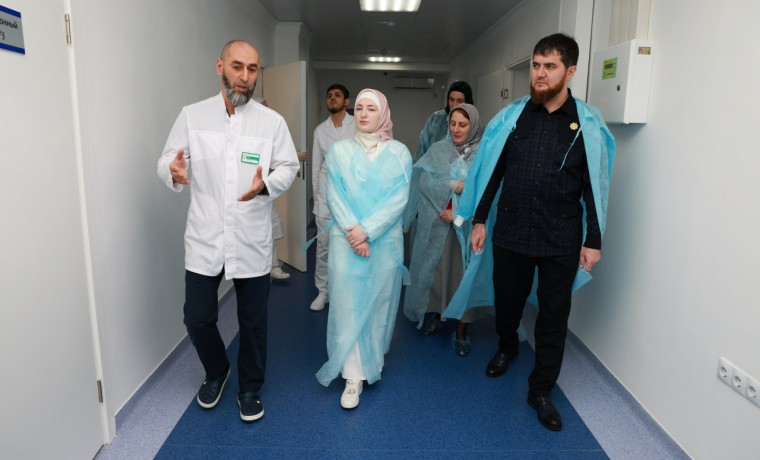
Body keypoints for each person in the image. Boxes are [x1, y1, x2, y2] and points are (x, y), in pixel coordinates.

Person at [454, 33, 615, 432]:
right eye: (536, 65)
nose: (540, 74)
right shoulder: (514, 117)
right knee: (507, 303)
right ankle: (507, 347)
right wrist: (479, 219)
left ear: (570, 71)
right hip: (512, 231)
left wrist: (593, 240)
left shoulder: (586, 124)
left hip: (560, 237)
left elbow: (594, 186)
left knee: (554, 316)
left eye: (550, 66)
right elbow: (493, 172)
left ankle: (541, 389)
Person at [157, 39, 300, 423]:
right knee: (197, 318)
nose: (245, 76)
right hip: (205, 236)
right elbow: (167, 158)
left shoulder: (271, 122)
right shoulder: (193, 116)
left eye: (252, 69)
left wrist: (266, 185)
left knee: (253, 322)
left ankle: (250, 388)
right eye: (237, 66)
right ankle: (217, 370)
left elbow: (288, 166)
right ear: (220, 66)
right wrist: (173, 171)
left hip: (250, 237)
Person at [315, 89, 412, 409]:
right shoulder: (339, 151)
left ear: (383, 113)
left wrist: (367, 231)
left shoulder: (399, 153)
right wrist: (355, 234)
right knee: (347, 305)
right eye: (359, 108)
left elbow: (398, 199)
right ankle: (352, 375)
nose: (365, 113)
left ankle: (373, 358)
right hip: (347, 242)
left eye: (371, 108)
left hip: (383, 243)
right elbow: (334, 195)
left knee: (379, 303)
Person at [403, 103, 491, 356]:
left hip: (468, 229)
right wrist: (452, 184)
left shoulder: (484, 155)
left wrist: (459, 214)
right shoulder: (439, 149)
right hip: (440, 225)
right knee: (439, 275)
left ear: (474, 126)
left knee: (464, 278)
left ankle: (462, 332)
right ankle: (439, 315)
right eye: (453, 124)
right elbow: (423, 182)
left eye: (463, 125)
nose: (456, 129)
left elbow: (488, 193)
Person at [309, 84, 355, 311]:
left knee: (350, 247)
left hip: (352, 201)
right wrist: (318, 200)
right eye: (329, 96)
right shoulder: (320, 131)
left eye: (337, 95)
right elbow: (316, 169)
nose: (332, 99)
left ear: (347, 101)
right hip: (326, 201)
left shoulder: (357, 125)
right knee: (323, 248)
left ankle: (346, 291)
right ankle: (323, 291)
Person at [414, 81, 473, 162]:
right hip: (432, 168)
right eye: (451, 100)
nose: (454, 104)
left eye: (459, 101)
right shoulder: (436, 119)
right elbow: (421, 150)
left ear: (468, 102)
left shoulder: (474, 124)